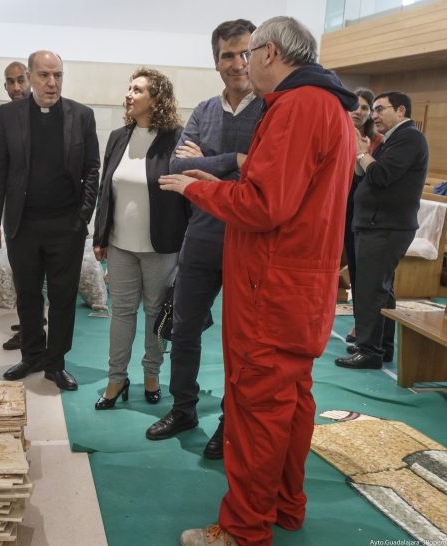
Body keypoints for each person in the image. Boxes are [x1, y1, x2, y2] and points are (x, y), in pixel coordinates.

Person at [159, 16, 357, 546]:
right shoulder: (330, 106)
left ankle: (243, 530)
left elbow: (265, 205)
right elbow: (283, 190)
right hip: (300, 287)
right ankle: (285, 506)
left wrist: (199, 190)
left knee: (255, 408)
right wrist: (223, 177)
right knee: (291, 402)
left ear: (269, 53)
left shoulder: (296, 106)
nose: (243, 64)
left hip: (270, 290)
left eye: (250, 55)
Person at [145, 19, 263, 462]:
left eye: (245, 52)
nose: (238, 63)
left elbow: (262, 170)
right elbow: (176, 165)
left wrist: (211, 162)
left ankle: (232, 420)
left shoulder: (270, 109)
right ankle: (183, 409)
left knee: (241, 341)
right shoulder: (202, 111)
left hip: (248, 242)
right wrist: (233, 160)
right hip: (201, 237)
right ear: (216, 62)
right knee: (183, 327)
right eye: (228, 55)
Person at [0, 50, 100, 391]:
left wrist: (83, 216)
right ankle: (32, 355)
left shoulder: (81, 116)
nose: (52, 82)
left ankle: (56, 363)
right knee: (28, 293)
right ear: (31, 77)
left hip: (66, 225)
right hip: (23, 225)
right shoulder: (9, 115)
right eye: (45, 75)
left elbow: (92, 169)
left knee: (63, 297)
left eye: (58, 75)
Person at [92, 68, 188, 409]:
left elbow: (186, 195)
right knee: (121, 314)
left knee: (155, 314)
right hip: (120, 246)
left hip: (161, 246)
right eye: (129, 88)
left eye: (138, 89)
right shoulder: (119, 136)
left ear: (156, 98)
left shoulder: (176, 138)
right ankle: (116, 379)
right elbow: (106, 190)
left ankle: (152, 374)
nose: (129, 94)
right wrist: (100, 236)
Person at [335, 91, 429, 370]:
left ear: (401, 110)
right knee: (381, 290)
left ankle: (369, 350)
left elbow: (381, 176)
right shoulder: (393, 139)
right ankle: (381, 346)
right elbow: (366, 174)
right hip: (377, 223)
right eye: (372, 110)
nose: (373, 115)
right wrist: (359, 153)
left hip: (386, 225)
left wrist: (363, 152)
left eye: (379, 109)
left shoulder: (410, 138)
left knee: (370, 288)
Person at [343, 88, 383, 345]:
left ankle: (362, 323)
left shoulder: (377, 141)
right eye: (355, 105)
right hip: (338, 203)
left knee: (360, 269)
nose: (359, 110)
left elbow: (377, 176)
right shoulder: (337, 128)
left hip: (362, 210)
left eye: (365, 108)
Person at [0, 61, 31, 352]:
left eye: (21, 80)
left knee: (37, 283)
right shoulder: (6, 114)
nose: (16, 88)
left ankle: (34, 331)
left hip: (47, 219)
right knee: (22, 280)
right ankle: (28, 326)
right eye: (11, 82)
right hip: (16, 216)